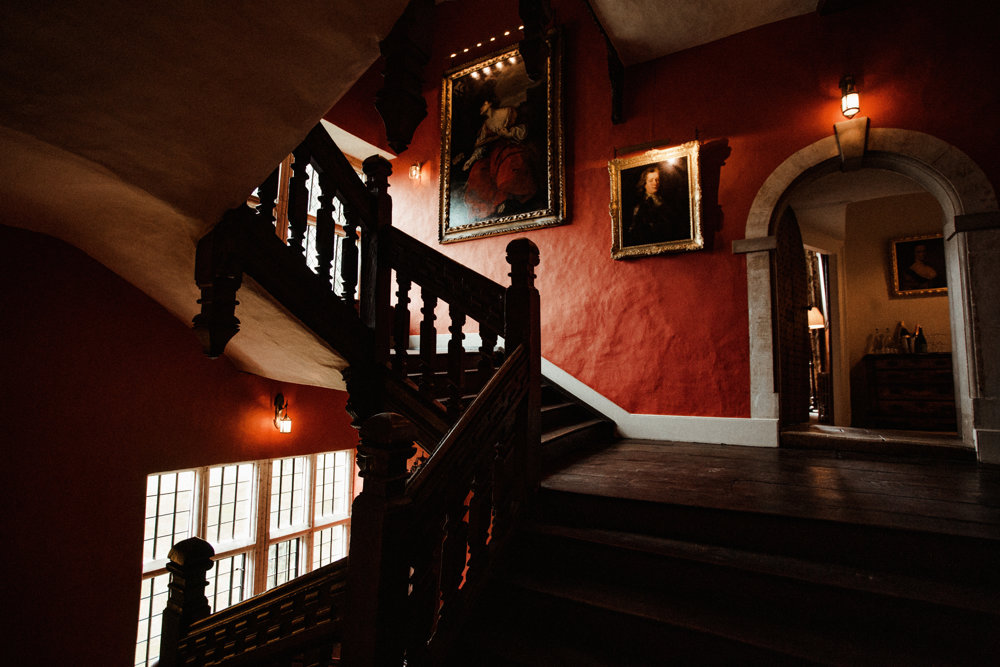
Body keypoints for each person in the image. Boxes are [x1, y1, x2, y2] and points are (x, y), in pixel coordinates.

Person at [456, 92, 540, 220]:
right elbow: (481, 146)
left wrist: (509, 133)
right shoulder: (486, 126)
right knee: (478, 171)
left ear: (489, 103)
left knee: (509, 164)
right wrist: (471, 160)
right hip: (492, 155)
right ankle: (492, 207)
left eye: (482, 105)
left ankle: (508, 199)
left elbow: (523, 131)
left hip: (508, 147)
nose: (480, 108)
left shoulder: (508, 112)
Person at [625, 165, 689, 246]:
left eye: (657, 180)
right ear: (644, 184)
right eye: (651, 180)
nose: (655, 183)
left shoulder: (665, 201)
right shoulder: (639, 205)